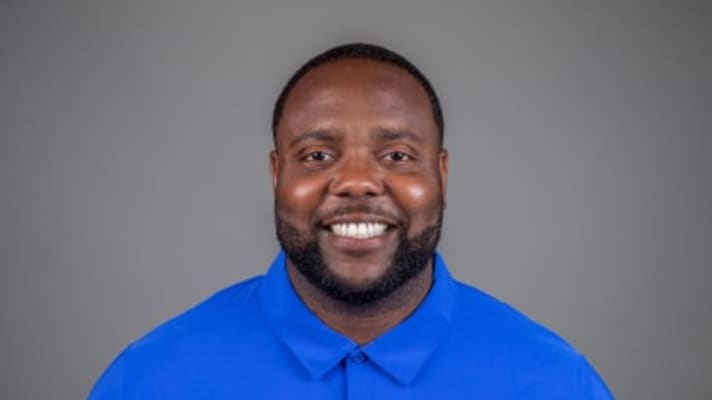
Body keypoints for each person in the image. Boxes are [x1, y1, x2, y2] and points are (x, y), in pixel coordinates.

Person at [89, 43, 614, 399]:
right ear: (276, 174)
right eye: (317, 155)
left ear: (441, 173)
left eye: (398, 156)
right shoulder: (151, 380)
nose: (358, 182)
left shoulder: (554, 383)